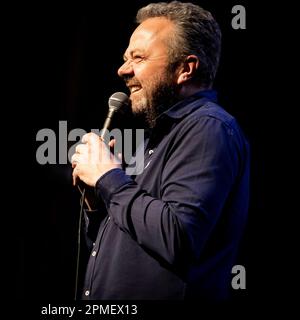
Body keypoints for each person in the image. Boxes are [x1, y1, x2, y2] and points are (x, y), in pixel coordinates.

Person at [71, 1, 249, 300]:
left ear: (185, 68)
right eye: (126, 58)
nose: (123, 69)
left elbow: (178, 237)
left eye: (138, 58)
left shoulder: (209, 128)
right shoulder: (158, 139)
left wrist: (109, 177)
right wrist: (97, 199)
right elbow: (135, 246)